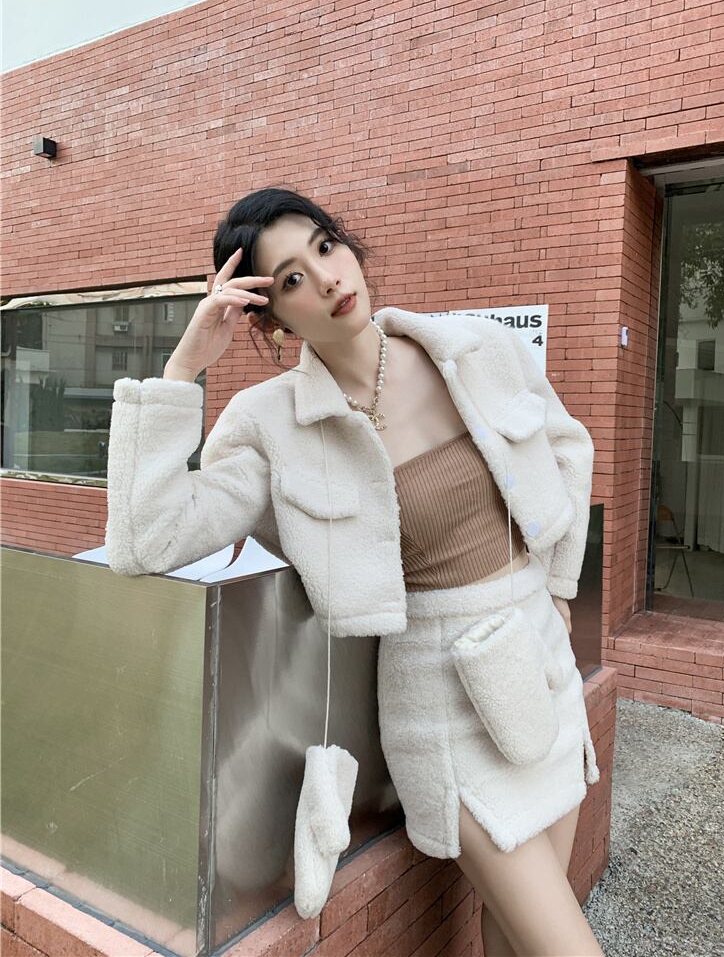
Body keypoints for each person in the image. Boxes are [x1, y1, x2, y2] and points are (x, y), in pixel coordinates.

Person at [105, 187, 603, 956]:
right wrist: (183, 367)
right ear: (271, 318)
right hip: (440, 702)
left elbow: (568, 449)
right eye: (292, 278)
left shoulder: (475, 349)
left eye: (326, 246)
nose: (328, 277)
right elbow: (146, 538)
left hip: (543, 670)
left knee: (514, 940)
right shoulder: (271, 423)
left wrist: (562, 591)